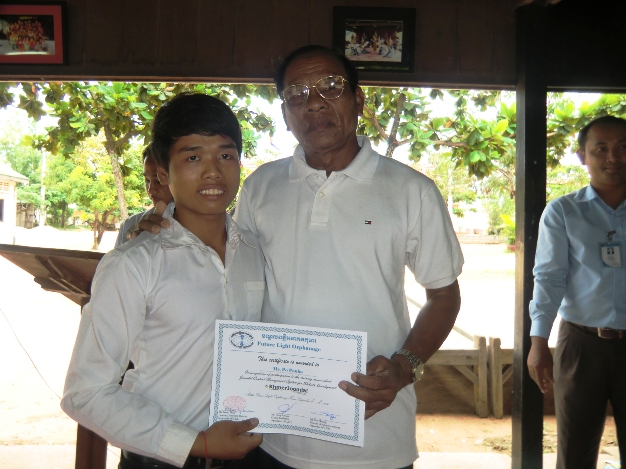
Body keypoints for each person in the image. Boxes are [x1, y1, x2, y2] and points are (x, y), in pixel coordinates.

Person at [139, 45, 463, 469]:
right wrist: (156, 225)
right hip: (269, 436)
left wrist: (405, 366)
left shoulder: (412, 191)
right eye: (296, 94)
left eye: (331, 86)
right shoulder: (260, 186)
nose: (314, 103)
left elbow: (444, 295)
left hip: (374, 440)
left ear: (358, 100)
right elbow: (224, 261)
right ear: (285, 114)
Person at [61, 93, 265, 469]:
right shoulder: (133, 264)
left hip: (248, 458)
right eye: (192, 157)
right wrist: (197, 443)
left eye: (225, 155)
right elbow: (85, 392)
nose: (212, 172)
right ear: (163, 172)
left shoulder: (257, 253)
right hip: (159, 462)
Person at [527, 115, 626, 469]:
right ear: (583, 155)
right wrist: (538, 341)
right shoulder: (563, 212)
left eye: (623, 147)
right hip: (581, 345)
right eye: (601, 149)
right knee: (575, 453)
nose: (613, 157)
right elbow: (549, 277)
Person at [115, 145, 173, 248]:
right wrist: (136, 245)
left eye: (158, 180)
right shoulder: (130, 225)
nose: (151, 189)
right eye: (147, 180)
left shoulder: (198, 224)